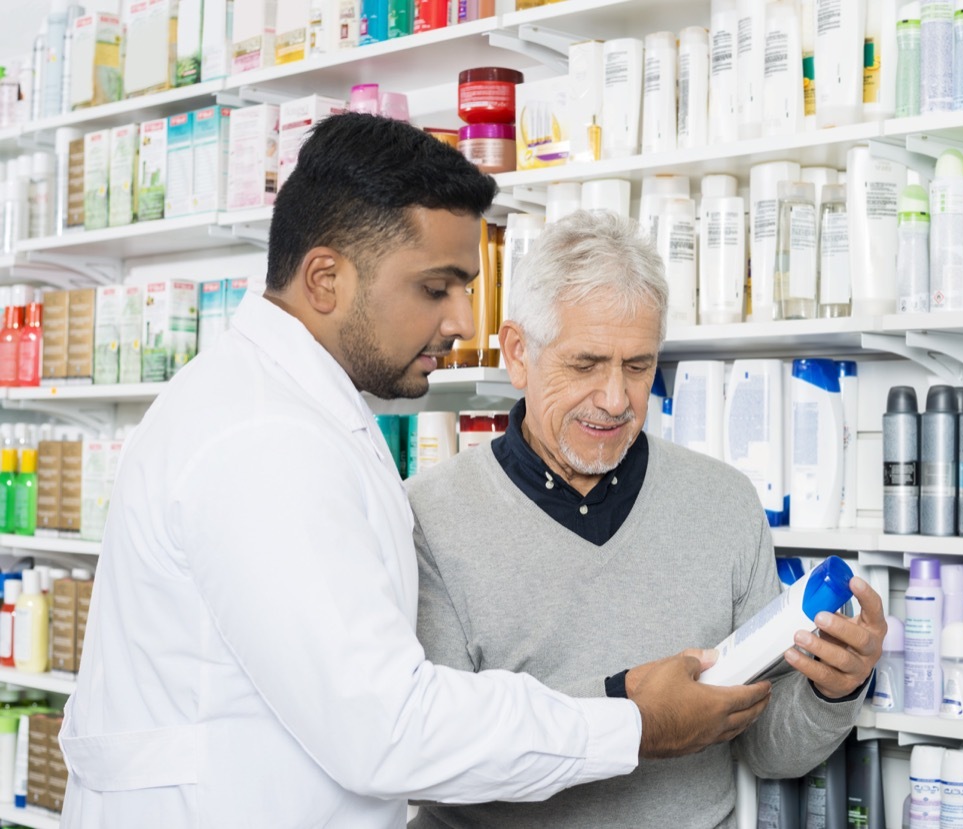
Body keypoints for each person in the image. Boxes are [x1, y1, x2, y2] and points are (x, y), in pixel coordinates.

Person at [58, 114, 773, 828]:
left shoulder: (307, 413)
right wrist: (633, 722)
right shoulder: (262, 438)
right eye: (437, 287)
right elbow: (389, 725)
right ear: (327, 279)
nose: (464, 319)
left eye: (465, 286)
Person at [407, 211, 887, 828]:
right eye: (586, 365)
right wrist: (630, 713)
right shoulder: (431, 517)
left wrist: (834, 688)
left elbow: (771, 751)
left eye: (637, 367)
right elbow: (433, 757)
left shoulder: (723, 502)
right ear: (519, 354)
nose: (615, 399)